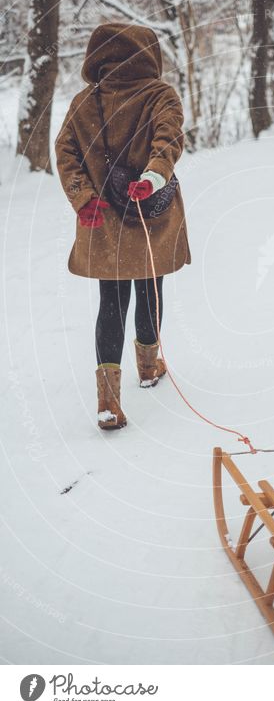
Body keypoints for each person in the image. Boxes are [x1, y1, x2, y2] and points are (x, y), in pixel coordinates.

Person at [55, 23, 191, 431]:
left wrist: (83, 198)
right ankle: (149, 368)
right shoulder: (159, 95)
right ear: (147, 53)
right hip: (149, 212)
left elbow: (65, 152)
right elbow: (168, 139)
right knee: (150, 286)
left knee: (110, 302)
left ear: (97, 56)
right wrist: (153, 176)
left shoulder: (83, 101)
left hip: (102, 219)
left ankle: (108, 402)